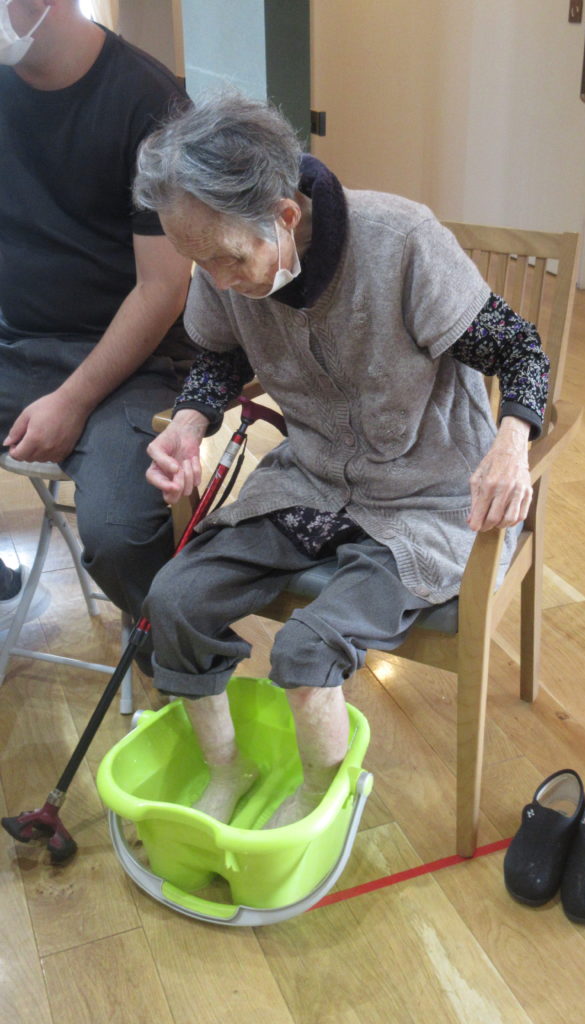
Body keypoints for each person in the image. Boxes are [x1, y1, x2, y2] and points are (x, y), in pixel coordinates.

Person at [135, 93, 550, 828]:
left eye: (228, 258)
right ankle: (226, 769)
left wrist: (511, 444)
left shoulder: (401, 242)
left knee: (306, 651)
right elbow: (220, 357)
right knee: (173, 599)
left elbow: (521, 351)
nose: (218, 281)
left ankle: (319, 797)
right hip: (313, 480)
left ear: (284, 215)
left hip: (428, 498)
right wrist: (191, 422)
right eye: (200, 262)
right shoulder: (223, 261)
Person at [0, 0, 194, 650]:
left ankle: (174, 652)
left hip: (136, 363)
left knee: (120, 534)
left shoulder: (152, 105)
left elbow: (162, 288)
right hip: (18, 342)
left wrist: (72, 400)